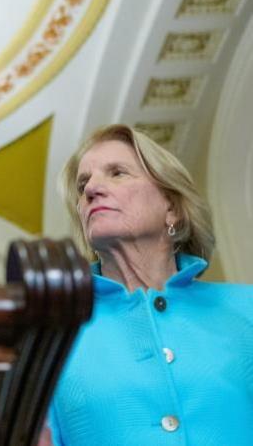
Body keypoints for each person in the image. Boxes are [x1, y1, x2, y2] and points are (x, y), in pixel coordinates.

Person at [46, 125, 253, 445]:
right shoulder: (51, 336)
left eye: (117, 173)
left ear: (172, 207)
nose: (91, 190)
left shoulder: (246, 310)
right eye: (83, 184)